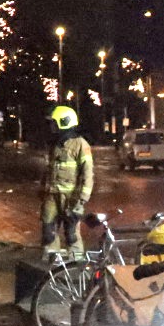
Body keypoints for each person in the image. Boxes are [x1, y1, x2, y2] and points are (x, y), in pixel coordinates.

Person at [42, 105, 95, 259]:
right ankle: (51, 268)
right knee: (48, 232)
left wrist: (81, 200)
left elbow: (88, 174)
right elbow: (49, 170)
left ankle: (76, 269)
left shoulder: (80, 144)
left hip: (71, 198)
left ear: (63, 122)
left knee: (71, 234)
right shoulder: (55, 145)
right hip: (52, 195)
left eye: (54, 123)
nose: (52, 127)